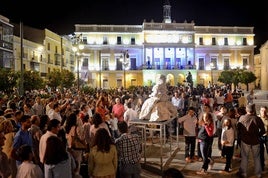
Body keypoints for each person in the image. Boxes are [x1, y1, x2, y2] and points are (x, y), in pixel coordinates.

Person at [236, 104, 265, 178]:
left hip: (245, 140)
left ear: (246, 110)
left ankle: (244, 173)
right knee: (257, 158)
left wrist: (242, 136)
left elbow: (238, 128)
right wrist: (258, 135)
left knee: (245, 157)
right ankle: (258, 174)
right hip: (255, 141)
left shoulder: (242, 118)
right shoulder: (257, 119)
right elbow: (263, 130)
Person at [258, 106, 268, 171]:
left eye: (265, 111)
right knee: (260, 152)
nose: (263, 112)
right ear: (260, 111)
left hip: (267, 136)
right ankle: (262, 166)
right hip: (259, 137)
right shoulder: (257, 118)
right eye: (262, 110)